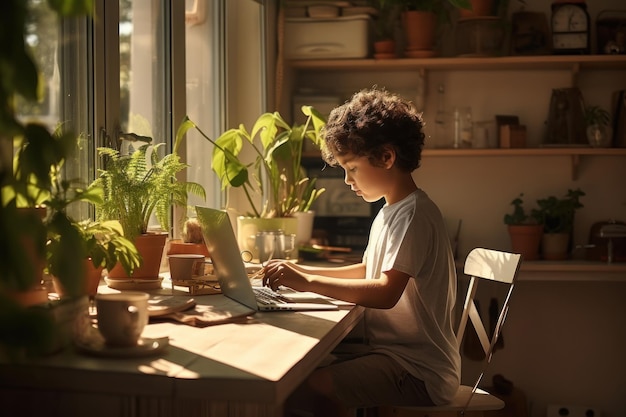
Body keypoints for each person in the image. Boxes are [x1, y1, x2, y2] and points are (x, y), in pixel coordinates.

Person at [263, 88, 460, 417]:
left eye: (351, 168)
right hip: (393, 356)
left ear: (386, 157)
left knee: (305, 391)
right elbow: (367, 270)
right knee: (297, 375)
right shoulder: (390, 210)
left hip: (419, 371)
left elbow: (385, 292)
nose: (346, 179)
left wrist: (308, 280)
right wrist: (297, 273)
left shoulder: (415, 214)